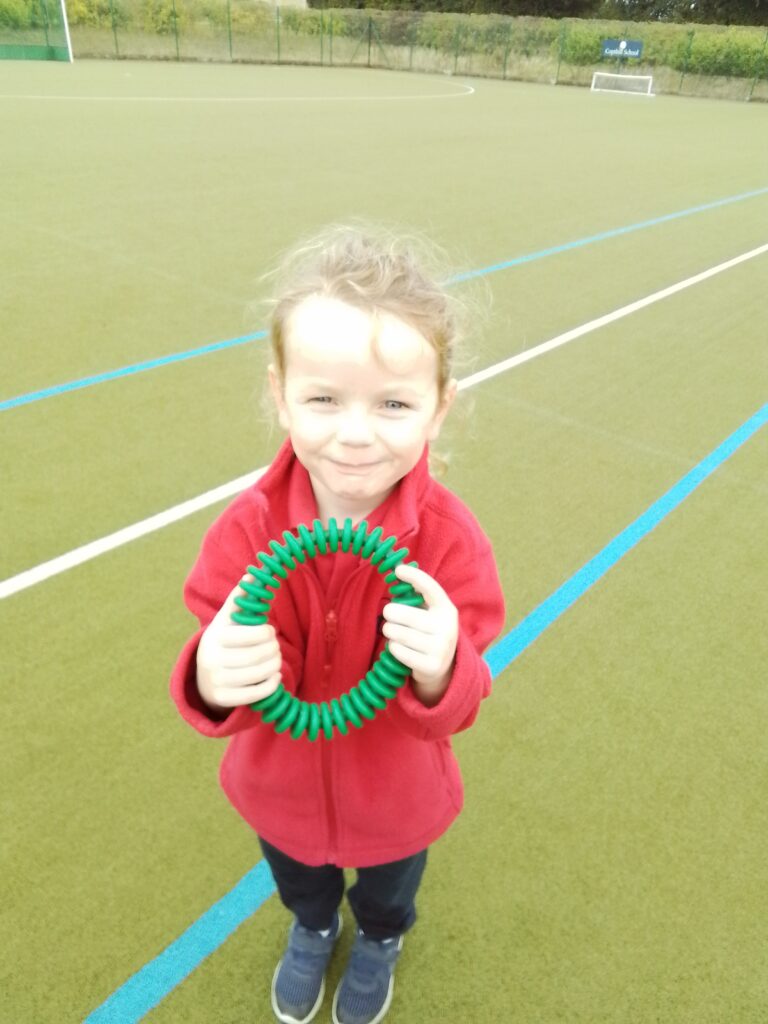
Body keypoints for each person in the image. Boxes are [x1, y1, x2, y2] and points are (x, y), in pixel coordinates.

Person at [170, 225, 505, 1024]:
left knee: (390, 890)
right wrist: (210, 679)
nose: (356, 433)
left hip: (398, 801)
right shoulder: (246, 532)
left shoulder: (451, 543)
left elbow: (467, 691)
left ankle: (382, 939)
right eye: (324, 399)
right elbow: (215, 649)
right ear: (280, 393)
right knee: (299, 878)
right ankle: (314, 926)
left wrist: (440, 667)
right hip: (276, 791)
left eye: (392, 403)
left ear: (439, 405)